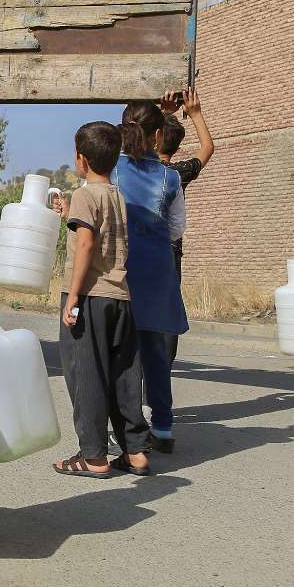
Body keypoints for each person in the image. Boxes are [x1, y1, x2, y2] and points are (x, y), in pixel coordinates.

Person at [52, 121, 151, 479]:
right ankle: (136, 450)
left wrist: (73, 296)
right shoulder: (116, 195)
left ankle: (93, 455)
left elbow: (88, 245)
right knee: (124, 374)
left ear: (81, 159)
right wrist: (69, 216)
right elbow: (99, 234)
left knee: (86, 374)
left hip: (91, 296)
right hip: (120, 297)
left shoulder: (84, 195)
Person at [111, 100, 188, 454]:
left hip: (119, 269)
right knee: (156, 353)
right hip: (159, 269)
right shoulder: (170, 176)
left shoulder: (110, 168)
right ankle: (164, 427)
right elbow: (176, 230)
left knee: (121, 354)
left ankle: (124, 430)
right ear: (159, 136)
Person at [157, 87, 215, 281]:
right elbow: (207, 148)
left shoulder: (138, 168)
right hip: (171, 249)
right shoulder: (177, 174)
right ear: (177, 147)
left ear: (154, 138)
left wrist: (163, 112)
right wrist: (196, 114)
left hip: (140, 246)